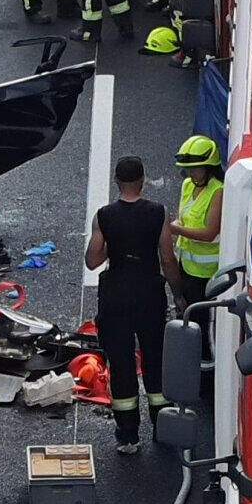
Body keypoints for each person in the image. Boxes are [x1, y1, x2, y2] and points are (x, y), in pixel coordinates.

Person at [86, 155, 170, 452]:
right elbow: (167, 258)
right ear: (142, 181)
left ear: (117, 182)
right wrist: (179, 293)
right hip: (149, 294)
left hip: (116, 297)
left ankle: (128, 435)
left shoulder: (104, 217)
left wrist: (113, 244)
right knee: (155, 359)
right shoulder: (158, 213)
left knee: (121, 364)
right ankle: (163, 426)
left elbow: (93, 260)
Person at [164, 135, 226, 309]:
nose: (190, 174)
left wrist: (174, 229)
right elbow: (184, 219)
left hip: (206, 273)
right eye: (187, 169)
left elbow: (209, 233)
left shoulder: (218, 191)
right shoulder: (187, 185)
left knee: (199, 315)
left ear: (209, 167)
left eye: (195, 169)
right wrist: (176, 225)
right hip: (184, 265)